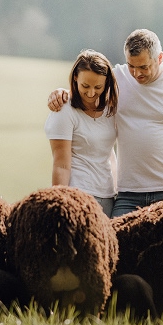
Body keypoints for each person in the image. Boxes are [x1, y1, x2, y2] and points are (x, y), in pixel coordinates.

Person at [48, 29, 163, 217]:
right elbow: (89, 89)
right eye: (131, 65)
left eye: (143, 67)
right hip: (128, 194)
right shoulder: (117, 78)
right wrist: (62, 93)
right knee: (113, 236)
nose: (136, 73)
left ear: (159, 58)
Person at [44, 49, 118, 217]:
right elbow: (61, 164)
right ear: (76, 77)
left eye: (98, 87)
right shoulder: (64, 110)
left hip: (108, 196)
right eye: (85, 86)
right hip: (77, 196)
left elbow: (109, 153)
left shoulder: (111, 109)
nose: (91, 93)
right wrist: (58, 203)